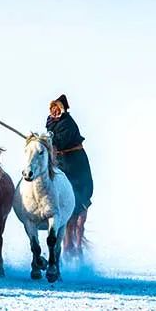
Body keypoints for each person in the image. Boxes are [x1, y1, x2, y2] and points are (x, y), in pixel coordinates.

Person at [46, 94, 94, 257]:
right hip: (60, 160)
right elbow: (51, 139)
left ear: (62, 110)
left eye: (57, 108)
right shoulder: (50, 121)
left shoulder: (68, 124)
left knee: (78, 197)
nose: (54, 111)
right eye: (52, 108)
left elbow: (61, 141)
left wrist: (50, 142)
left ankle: (76, 245)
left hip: (75, 162)